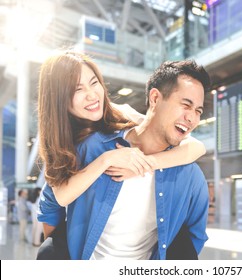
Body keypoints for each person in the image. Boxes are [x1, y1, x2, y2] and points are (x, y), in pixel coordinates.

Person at [37, 52, 210, 259]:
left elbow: (193, 238)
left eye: (94, 83)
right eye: (77, 89)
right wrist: (62, 253)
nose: (92, 95)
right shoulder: (84, 147)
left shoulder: (121, 114)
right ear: (155, 98)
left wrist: (146, 163)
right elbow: (55, 199)